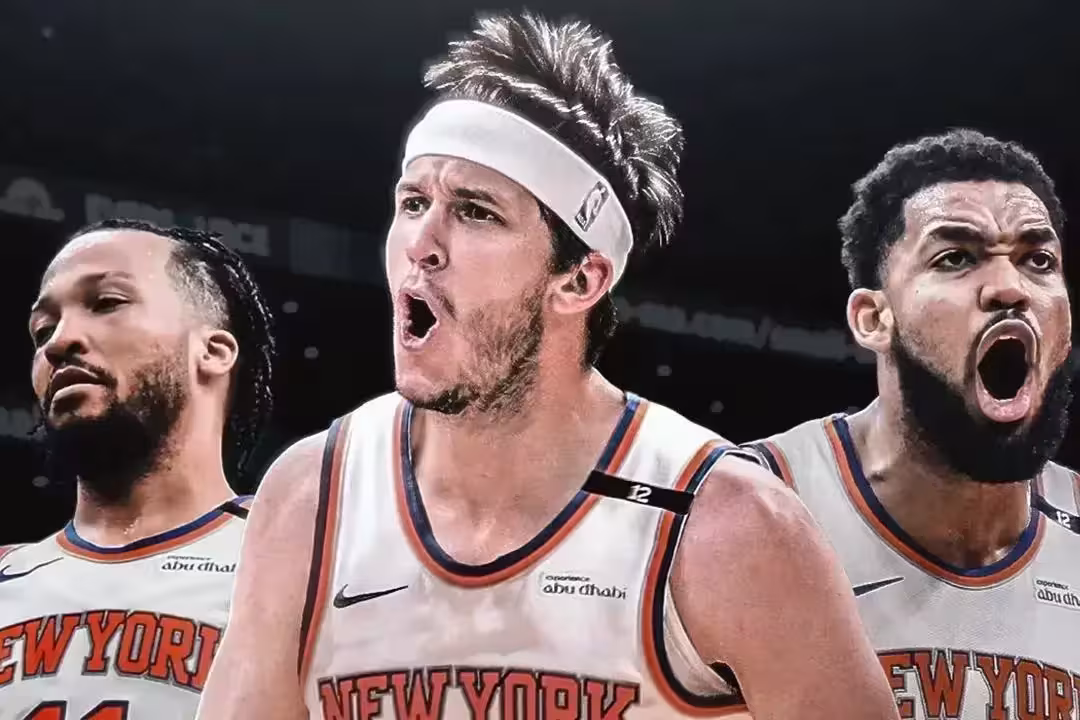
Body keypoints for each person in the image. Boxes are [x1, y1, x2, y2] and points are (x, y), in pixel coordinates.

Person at [196, 11, 899, 720]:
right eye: (413, 202)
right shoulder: (311, 496)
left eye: (476, 212)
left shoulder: (730, 524)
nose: (422, 243)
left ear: (580, 280)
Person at [744, 129, 1080, 717]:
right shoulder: (750, 504)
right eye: (956, 258)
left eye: (1039, 261)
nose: (1010, 288)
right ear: (873, 318)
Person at [0, 218, 276, 720]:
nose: (58, 342)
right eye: (42, 330)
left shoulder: (303, 564)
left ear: (212, 351)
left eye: (106, 303)